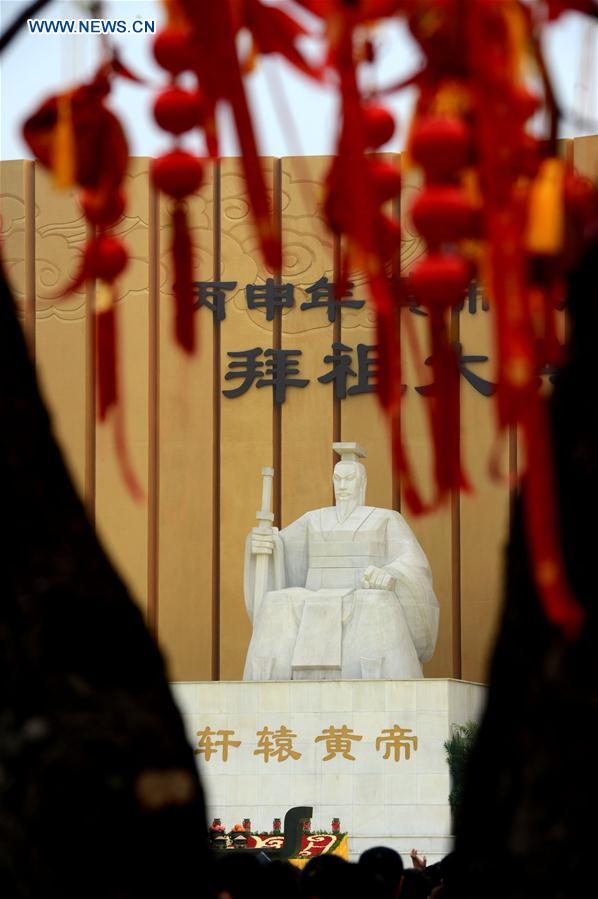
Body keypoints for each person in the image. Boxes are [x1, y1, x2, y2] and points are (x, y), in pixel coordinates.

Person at [243, 443, 439, 681]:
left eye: (349, 479)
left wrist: (391, 573)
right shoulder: (313, 519)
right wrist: (263, 544)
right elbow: (280, 548)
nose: (343, 486)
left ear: (362, 484)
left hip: (361, 597)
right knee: (277, 601)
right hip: (314, 596)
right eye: (338, 479)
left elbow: (412, 561)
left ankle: (379, 677)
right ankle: (266, 678)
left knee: (377, 602)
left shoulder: (385, 518)